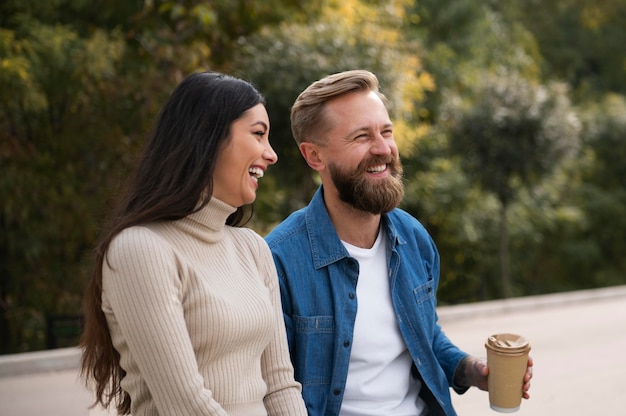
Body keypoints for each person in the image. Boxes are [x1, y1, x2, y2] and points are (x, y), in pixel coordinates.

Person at [265, 69, 533, 416]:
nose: (383, 148)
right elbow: (273, 388)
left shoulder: (413, 238)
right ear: (315, 156)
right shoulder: (279, 259)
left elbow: (426, 337)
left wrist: (473, 370)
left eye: (386, 131)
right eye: (361, 136)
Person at [79, 71, 308, 416]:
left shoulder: (252, 248)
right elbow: (186, 404)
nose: (271, 154)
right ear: (208, 137)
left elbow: (279, 384)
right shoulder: (140, 249)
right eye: (258, 134)